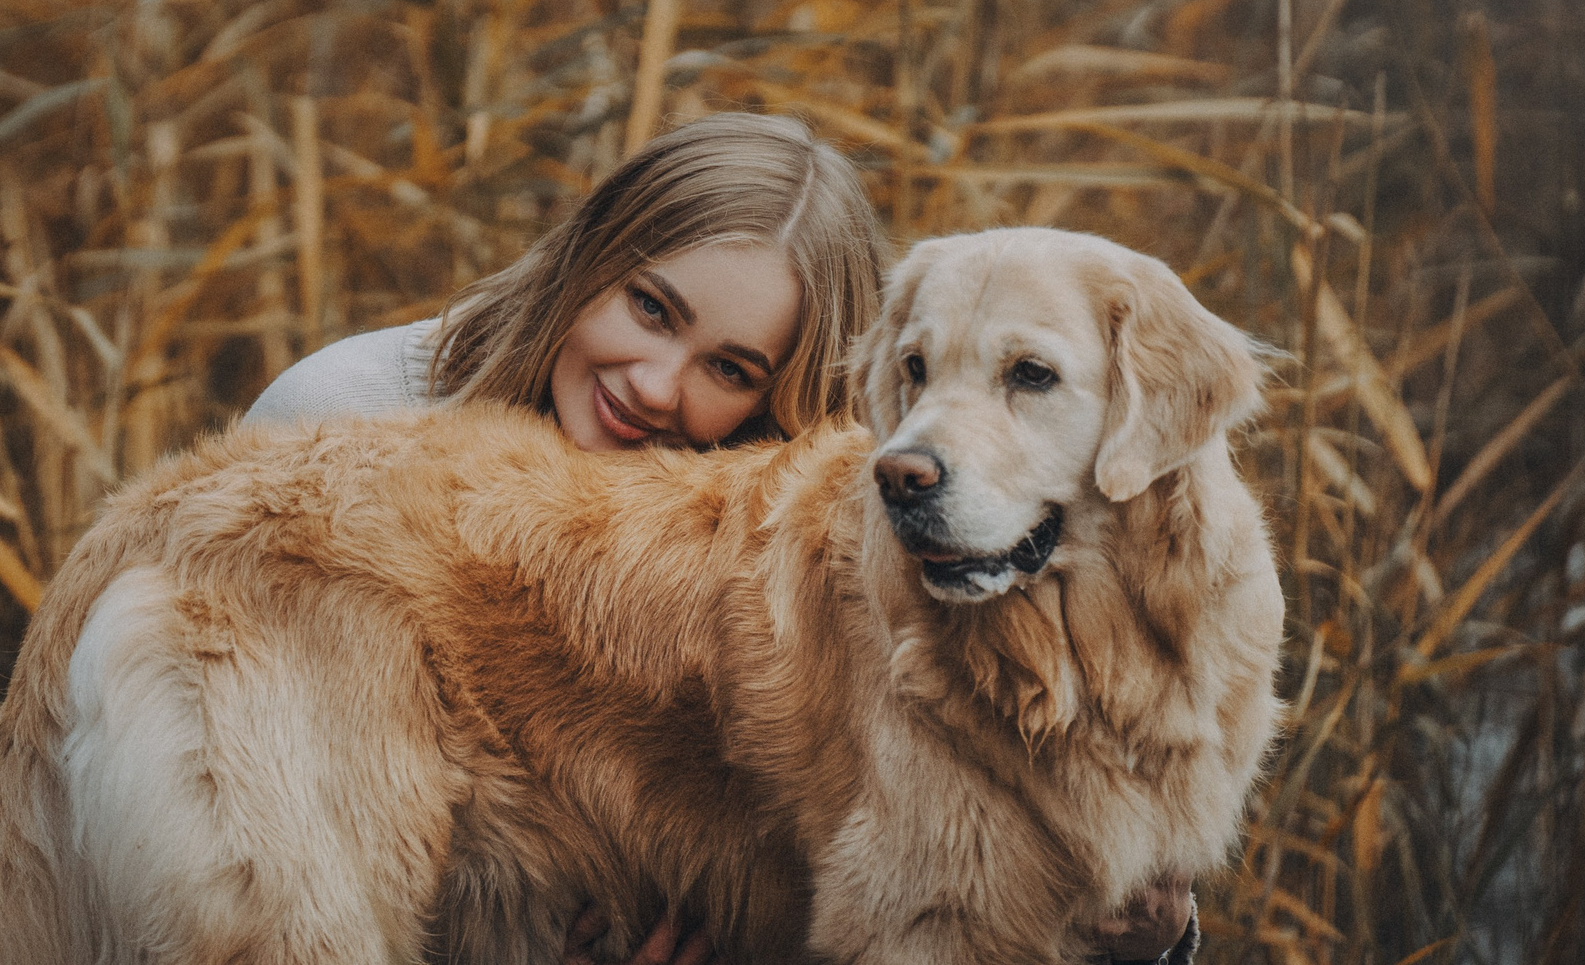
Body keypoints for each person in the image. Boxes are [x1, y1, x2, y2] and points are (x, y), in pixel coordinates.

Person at [245, 111, 1196, 965]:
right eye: (650, 308)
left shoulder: (776, 571)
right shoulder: (337, 423)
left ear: (780, 405)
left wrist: (1149, 937)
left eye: (731, 369)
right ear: (589, 254)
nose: (656, 385)